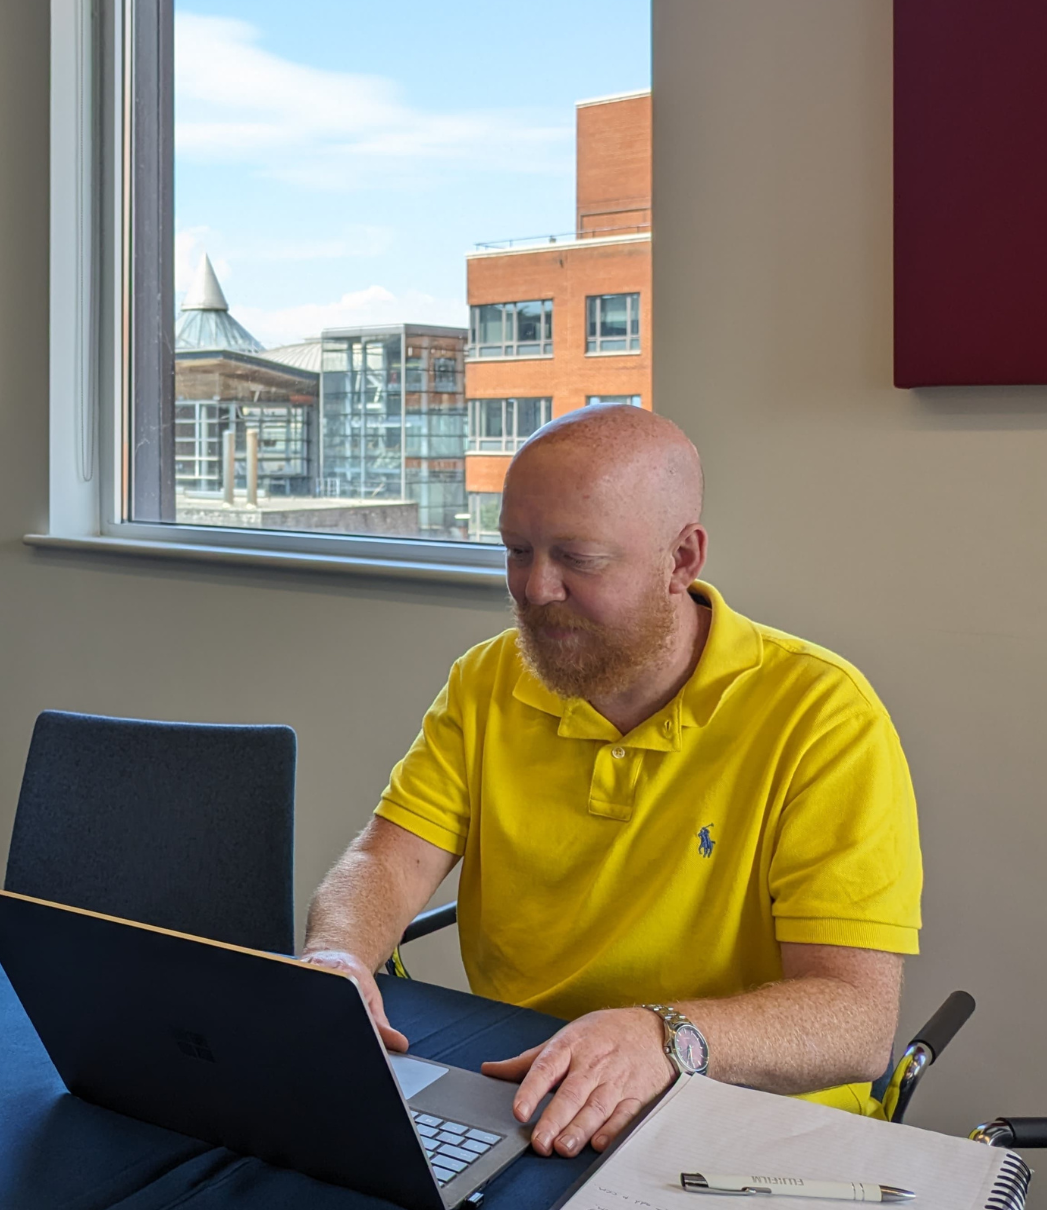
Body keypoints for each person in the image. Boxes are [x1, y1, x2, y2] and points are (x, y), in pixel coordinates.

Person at [301, 405, 920, 1159]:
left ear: (682, 559)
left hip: (745, 1113)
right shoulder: (489, 678)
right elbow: (384, 860)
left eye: (578, 558)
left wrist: (664, 1035)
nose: (535, 588)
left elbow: (856, 1019)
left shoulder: (822, 714)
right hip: (526, 1087)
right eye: (517, 550)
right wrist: (336, 956)